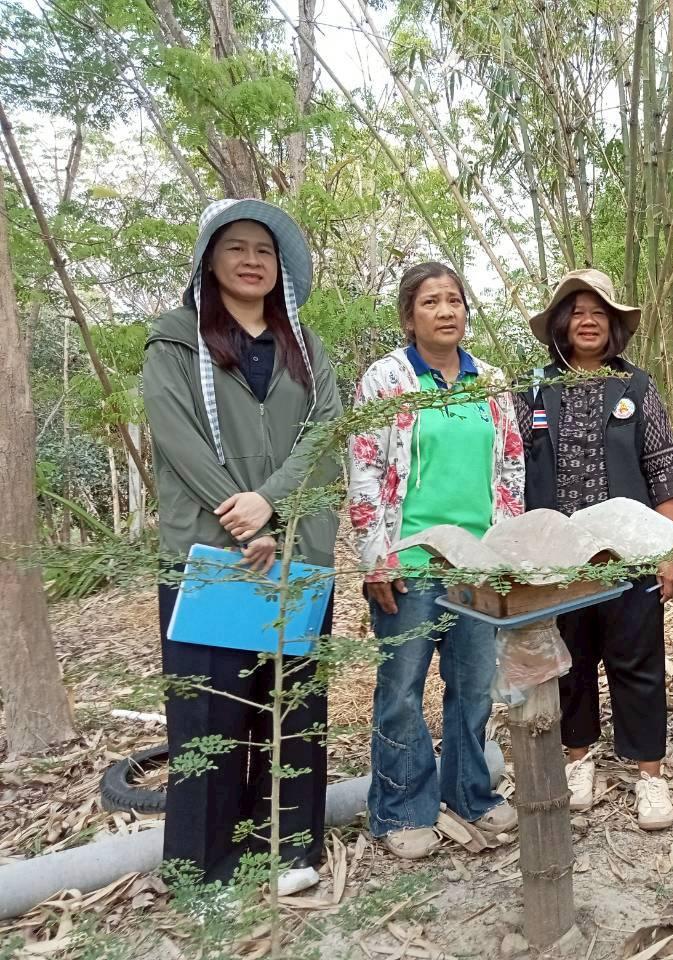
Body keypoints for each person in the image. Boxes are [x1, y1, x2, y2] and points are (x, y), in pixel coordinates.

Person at [143, 199, 343, 893]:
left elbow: (323, 434)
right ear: (209, 261)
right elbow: (176, 437)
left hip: (297, 551)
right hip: (211, 553)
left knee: (293, 705)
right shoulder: (175, 338)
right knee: (210, 711)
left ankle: (290, 850)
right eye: (236, 247)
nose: (253, 259)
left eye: (265, 249)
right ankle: (203, 867)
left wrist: (273, 504)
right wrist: (243, 518)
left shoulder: (307, 349)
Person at [348, 262, 525, 858]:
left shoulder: (491, 381)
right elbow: (366, 469)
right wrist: (378, 557)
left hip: (475, 563)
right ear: (409, 316)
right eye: (431, 302)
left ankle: (472, 793)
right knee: (401, 688)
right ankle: (401, 808)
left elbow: (511, 470)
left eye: (454, 301)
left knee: (473, 687)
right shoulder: (386, 380)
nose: (446, 311)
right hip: (412, 561)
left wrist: (501, 552)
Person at [511, 268, 673, 831]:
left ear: (613, 326)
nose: (588, 322)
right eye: (577, 312)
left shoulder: (636, 387)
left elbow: (664, 467)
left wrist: (668, 549)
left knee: (638, 662)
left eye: (599, 314)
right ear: (562, 325)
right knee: (572, 660)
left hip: (627, 556)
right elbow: (512, 472)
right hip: (557, 558)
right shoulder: (536, 389)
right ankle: (579, 757)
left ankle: (650, 774)